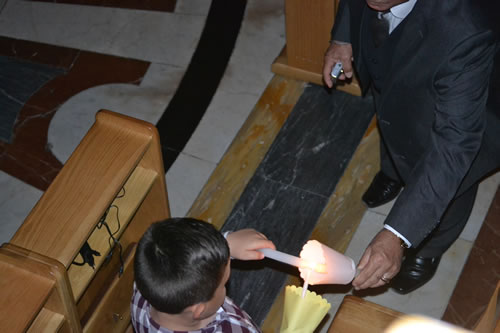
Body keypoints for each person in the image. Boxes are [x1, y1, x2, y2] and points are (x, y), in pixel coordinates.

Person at [323, 0, 500, 294]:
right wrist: (343, 37)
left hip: (469, 104)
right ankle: (394, 171)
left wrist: (398, 233)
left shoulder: (466, 31)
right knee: (394, 113)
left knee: (452, 179)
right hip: (398, 81)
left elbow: (453, 147)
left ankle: (431, 246)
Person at [131, 217, 276, 332]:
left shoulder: (145, 286)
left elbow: (182, 258)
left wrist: (227, 243)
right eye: (223, 284)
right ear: (199, 310)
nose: (225, 287)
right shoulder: (234, 328)